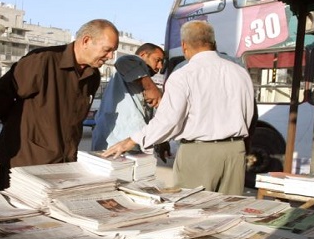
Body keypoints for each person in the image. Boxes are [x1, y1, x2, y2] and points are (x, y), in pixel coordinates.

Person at [103, 20, 255, 195]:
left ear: (184, 46)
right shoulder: (240, 73)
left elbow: (169, 121)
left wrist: (131, 140)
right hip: (235, 150)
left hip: (199, 153)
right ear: (214, 43)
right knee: (229, 212)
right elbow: (248, 114)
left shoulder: (183, 75)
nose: (159, 67)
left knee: (192, 213)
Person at [0, 19, 119, 191]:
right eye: (107, 50)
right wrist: (19, 129)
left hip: (63, 165)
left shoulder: (92, 76)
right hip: (24, 164)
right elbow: (0, 97)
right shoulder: (42, 61)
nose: (110, 57)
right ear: (86, 41)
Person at [90, 44, 164, 153]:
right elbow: (122, 61)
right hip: (113, 143)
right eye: (157, 60)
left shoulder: (143, 79)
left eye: (162, 62)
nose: (160, 66)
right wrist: (150, 87)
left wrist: (161, 142)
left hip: (133, 144)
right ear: (142, 55)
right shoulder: (132, 61)